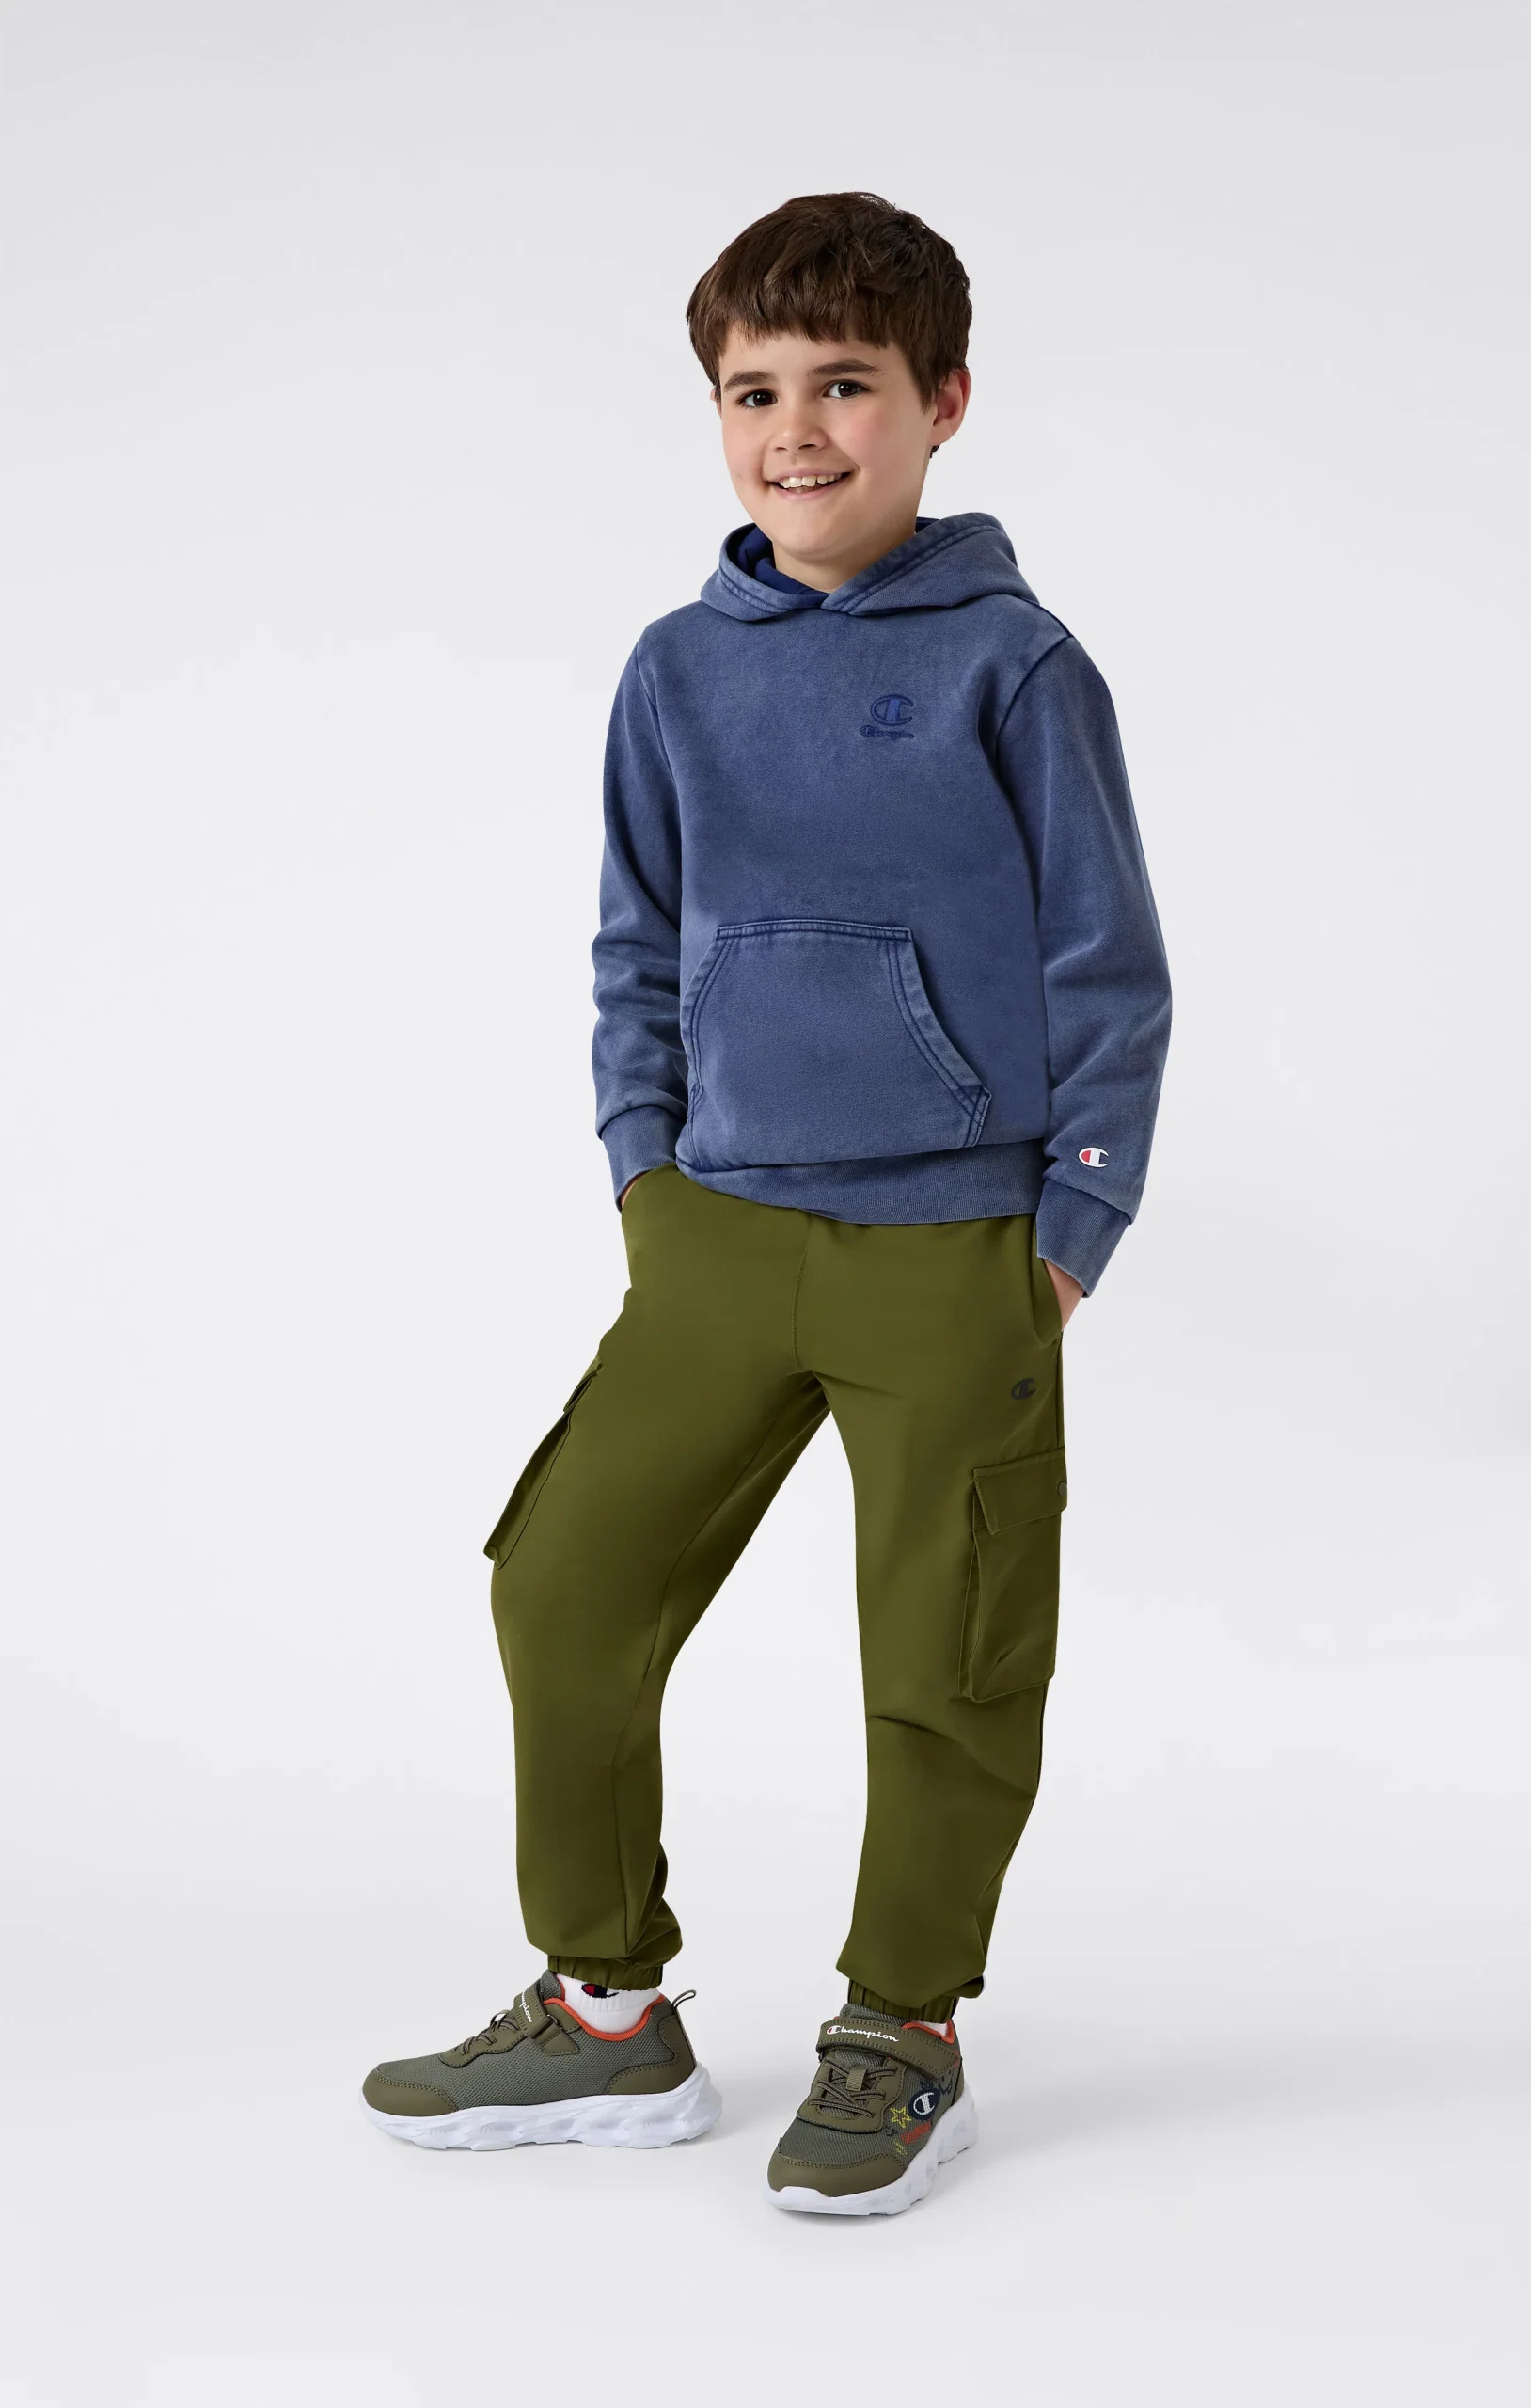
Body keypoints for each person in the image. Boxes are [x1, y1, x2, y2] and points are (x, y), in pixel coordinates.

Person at [360, 191, 1171, 2217]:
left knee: (946, 1652)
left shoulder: (1016, 664)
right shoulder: (674, 671)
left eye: (845, 385)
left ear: (943, 402)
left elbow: (1109, 969)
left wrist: (1065, 1236)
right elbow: (635, 940)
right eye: (753, 391)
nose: (797, 430)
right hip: (715, 1238)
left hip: (955, 1251)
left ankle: (904, 2028)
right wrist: (646, 1168)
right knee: (564, 1580)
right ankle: (607, 2012)